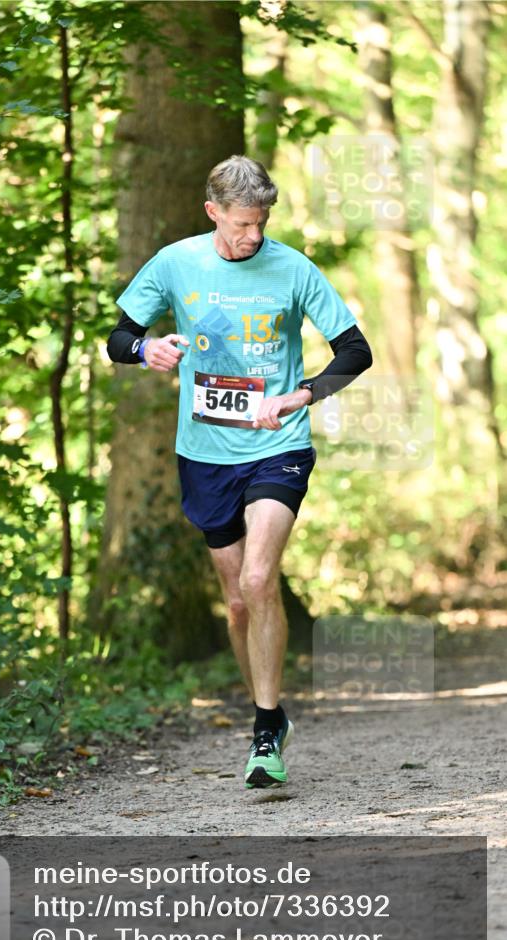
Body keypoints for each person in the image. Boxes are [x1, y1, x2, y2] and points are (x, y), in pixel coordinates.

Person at [107, 155, 372, 789]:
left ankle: (264, 724)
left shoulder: (292, 268)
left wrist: (300, 395)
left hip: (278, 443)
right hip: (204, 454)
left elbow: (355, 350)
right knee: (234, 603)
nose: (253, 236)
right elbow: (119, 336)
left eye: (262, 223)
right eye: (242, 224)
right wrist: (150, 349)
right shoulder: (176, 263)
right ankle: (266, 712)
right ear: (214, 213)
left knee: (258, 579)